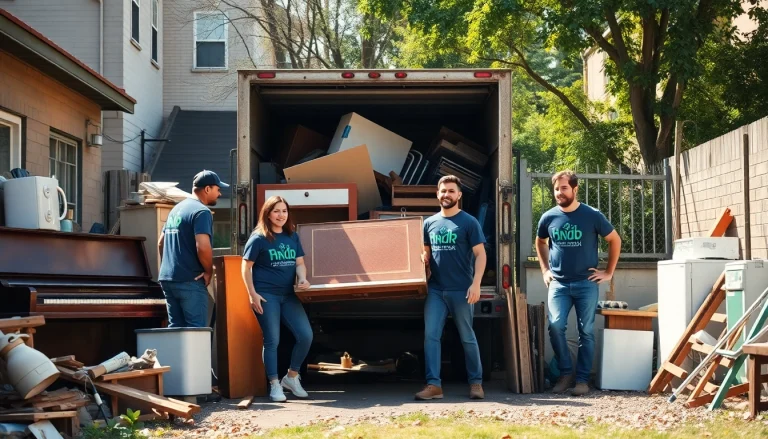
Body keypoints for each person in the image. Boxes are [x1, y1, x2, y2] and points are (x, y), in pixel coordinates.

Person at [535, 170, 621, 396]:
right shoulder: (548, 217)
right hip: (559, 285)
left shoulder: (592, 215)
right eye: (556, 189)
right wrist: (545, 270)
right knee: (555, 326)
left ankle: (582, 380)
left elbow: (614, 239)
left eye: (563, 188)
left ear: (575, 189)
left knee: (587, 331)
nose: (559, 193)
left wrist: (608, 272)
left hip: (586, 283)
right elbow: (540, 241)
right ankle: (565, 373)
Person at [415, 175, 487, 401]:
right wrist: (423, 259)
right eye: (443, 191)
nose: (447, 194)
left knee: (467, 337)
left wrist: (476, 284)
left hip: (462, 290)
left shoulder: (469, 222)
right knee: (431, 337)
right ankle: (434, 385)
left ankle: (476, 383)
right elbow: (426, 253)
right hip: (436, 290)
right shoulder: (429, 223)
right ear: (437, 194)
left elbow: (480, 255)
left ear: (459, 195)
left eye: (451, 191)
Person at [241, 195, 313, 402]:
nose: (281, 215)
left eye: (284, 211)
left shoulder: (292, 236)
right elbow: (245, 267)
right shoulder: (259, 238)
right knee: (273, 340)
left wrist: (302, 278)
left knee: (305, 335)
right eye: (276, 211)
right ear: (268, 213)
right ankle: (274, 384)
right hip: (266, 296)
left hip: (288, 296)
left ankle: (291, 377)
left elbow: (299, 263)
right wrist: (252, 294)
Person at [158, 170, 227, 328]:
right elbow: (202, 246)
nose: (220, 194)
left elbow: (161, 243)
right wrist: (209, 271)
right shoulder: (201, 212)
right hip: (190, 280)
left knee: (176, 331)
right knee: (196, 332)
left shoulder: (176, 210)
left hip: (168, 279)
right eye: (218, 189)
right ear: (207, 189)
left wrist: (171, 268)